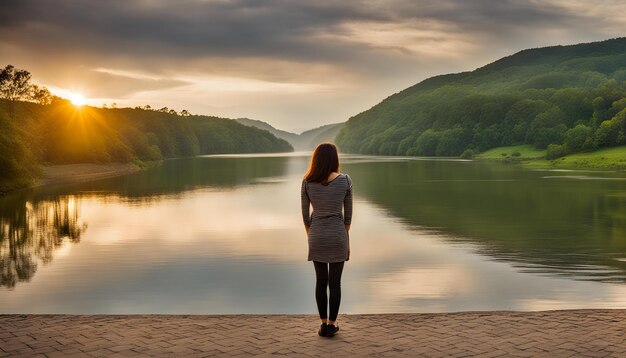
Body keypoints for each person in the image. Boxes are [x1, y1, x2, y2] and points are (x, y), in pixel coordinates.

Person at [300, 142, 352, 338]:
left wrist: (311, 236)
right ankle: (332, 324)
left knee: (320, 282)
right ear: (335, 159)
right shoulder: (345, 180)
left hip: (317, 235)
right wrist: (347, 242)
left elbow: (305, 217)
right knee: (335, 283)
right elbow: (348, 219)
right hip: (338, 235)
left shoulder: (307, 182)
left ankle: (322, 325)